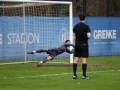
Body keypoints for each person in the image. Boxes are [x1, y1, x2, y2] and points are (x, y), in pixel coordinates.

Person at [73, 12, 91, 79]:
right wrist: (87, 37)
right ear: (85, 18)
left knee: (76, 59)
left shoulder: (75, 26)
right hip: (84, 45)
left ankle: (74, 75)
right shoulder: (86, 26)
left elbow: (74, 37)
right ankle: (84, 75)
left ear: (79, 18)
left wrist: (76, 42)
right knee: (84, 60)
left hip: (77, 44)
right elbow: (88, 36)